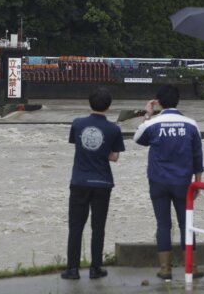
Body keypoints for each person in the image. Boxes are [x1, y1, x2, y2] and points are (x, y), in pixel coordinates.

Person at [133, 84, 204, 280]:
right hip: (183, 182)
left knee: (163, 225)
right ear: (178, 101)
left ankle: (165, 270)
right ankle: (193, 267)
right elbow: (198, 155)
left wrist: (147, 115)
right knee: (186, 224)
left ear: (159, 102)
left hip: (158, 181)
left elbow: (137, 138)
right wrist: (197, 181)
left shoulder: (153, 124)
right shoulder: (191, 124)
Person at [61, 87, 125, 280]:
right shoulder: (114, 129)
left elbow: (79, 145)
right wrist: (102, 150)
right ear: (109, 106)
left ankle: (72, 269)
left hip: (79, 180)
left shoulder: (78, 124)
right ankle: (95, 268)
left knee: (75, 226)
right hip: (102, 182)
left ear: (89, 103)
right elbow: (114, 157)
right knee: (98, 227)